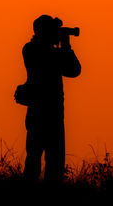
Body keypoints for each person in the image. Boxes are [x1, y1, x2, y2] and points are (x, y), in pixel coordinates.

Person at [22, 15, 81, 183]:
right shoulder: (33, 50)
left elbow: (74, 71)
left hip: (49, 114)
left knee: (54, 164)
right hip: (43, 113)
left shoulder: (46, 51)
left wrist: (65, 45)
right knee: (35, 160)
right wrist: (64, 46)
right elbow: (72, 69)